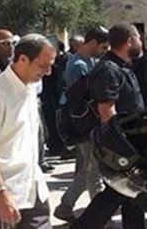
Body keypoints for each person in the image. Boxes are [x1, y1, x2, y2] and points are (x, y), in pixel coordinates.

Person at [0, 34, 55, 228]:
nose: (49, 72)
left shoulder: (30, 89)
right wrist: (1, 193)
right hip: (0, 195)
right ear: (23, 59)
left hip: (33, 189)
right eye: (43, 65)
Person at [73, 24, 145, 229]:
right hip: (120, 145)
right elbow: (106, 110)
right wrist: (122, 150)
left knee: (132, 193)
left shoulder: (122, 66)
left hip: (131, 142)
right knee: (116, 193)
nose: (141, 42)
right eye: (138, 38)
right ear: (129, 41)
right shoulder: (108, 69)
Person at [53, 27, 109, 223]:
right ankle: (100, 218)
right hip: (84, 124)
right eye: (102, 47)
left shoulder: (88, 62)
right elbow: (82, 98)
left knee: (87, 168)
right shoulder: (78, 65)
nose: (103, 51)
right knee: (94, 171)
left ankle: (65, 205)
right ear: (92, 43)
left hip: (86, 124)